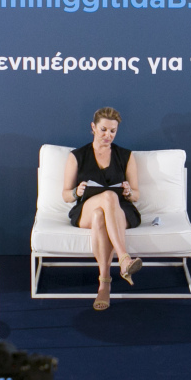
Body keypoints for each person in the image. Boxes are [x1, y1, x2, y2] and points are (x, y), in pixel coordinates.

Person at [63, 107, 143, 311]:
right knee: (107, 197)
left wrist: (128, 191)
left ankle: (104, 284)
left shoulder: (126, 155)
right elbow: (65, 195)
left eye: (113, 131)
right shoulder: (77, 156)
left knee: (101, 214)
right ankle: (124, 259)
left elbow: (136, 195)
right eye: (104, 130)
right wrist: (76, 192)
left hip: (120, 210)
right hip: (86, 209)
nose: (108, 135)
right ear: (93, 127)